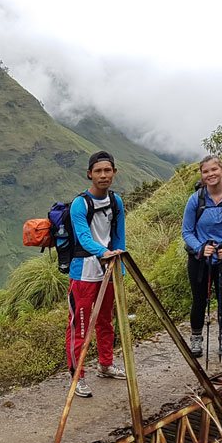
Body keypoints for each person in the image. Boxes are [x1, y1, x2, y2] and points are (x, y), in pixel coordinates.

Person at [66, 150, 127, 398]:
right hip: (83, 274)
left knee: (105, 321)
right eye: (98, 171)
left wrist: (119, 268)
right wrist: (103, 253)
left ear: (114, 173)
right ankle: (77, 376)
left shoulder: (116, 201)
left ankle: (105, 364)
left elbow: (119, 235)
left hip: (108, 270)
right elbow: (83, 237)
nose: (103, 175)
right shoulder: (80, 204)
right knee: (80, 326)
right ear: (90, 174)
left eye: (108, 170)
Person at [181, 155, 222, 358]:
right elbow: (187, 231)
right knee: (199, 299)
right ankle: (195, 340)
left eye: (214, 170)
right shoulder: (196, 200)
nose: (210, 174)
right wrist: (200, 248)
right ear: (202, 175)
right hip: (200, 259)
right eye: (205, 171)